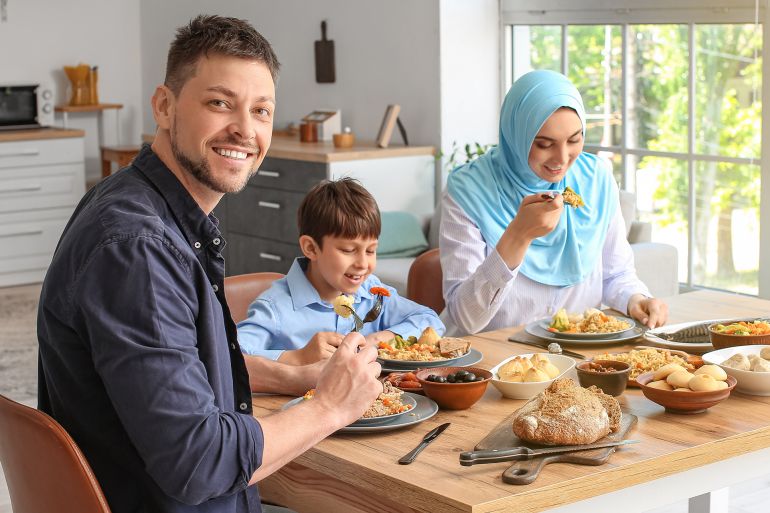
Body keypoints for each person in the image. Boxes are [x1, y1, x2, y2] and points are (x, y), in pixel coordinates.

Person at [37, 15, 382, 513]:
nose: (245, 130)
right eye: (220, 103)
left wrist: (294, 378)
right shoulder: (138, 248)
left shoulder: (142, 205)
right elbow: (198, 464)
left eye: (261, 110)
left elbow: (180, 367)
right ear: (164, 106)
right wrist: (330, 407)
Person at [440, 69, 668, 335]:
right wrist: (519, 235)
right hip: (492, 360)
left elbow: (616, 274)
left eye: (574, 140)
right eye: (544, 144)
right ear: (517, 136)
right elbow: (465, 318)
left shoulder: (595, 180)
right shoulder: (468, 189)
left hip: (575, 357)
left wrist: (636, 299)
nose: (561, 159)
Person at [237, 177, 445, 364]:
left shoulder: (372, 292)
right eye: (348, 250)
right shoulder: (275, 308)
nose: (363, 263)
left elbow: (430, 320)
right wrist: (296, 357)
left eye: (371, 250)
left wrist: (380, 338)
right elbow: (230, 356)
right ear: (311, 248)